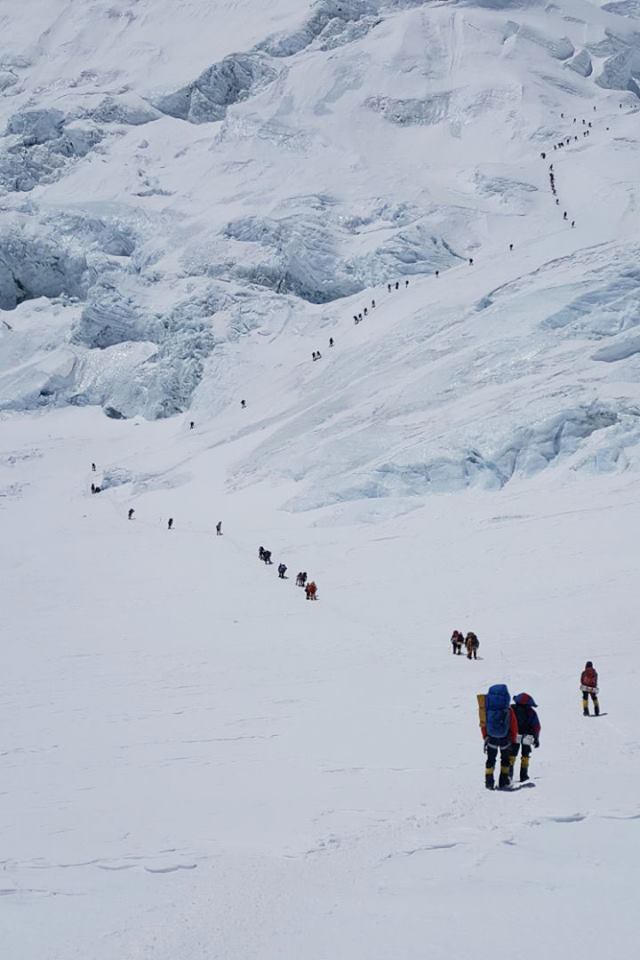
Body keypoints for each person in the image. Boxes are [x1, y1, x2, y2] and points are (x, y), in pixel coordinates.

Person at [479, 684, 518, 789]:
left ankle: (489, 781)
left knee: (490, 759)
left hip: (491, 738)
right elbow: (514, 725)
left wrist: (485, 736)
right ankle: (504, 781)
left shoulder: (487, 710)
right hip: (505, 739)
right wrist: (513, 739)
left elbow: (483, 724)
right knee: (505, 760)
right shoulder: (508, 710)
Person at [511, 693, 541, 782]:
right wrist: (536, 738)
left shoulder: (511, 709)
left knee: (512, 755)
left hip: (515, 735)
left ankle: (509, 774)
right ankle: (524, 775)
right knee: (525, 755)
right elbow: (536, 726)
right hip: (527, 736)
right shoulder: (531, 712)